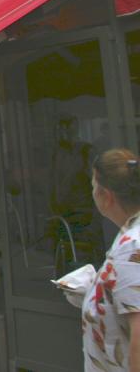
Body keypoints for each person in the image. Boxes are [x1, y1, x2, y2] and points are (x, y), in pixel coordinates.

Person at [79, 148, 140, 370]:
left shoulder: (132, 247)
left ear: (106, 196)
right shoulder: (131, 237)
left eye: (93, 186)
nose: (92, 192)